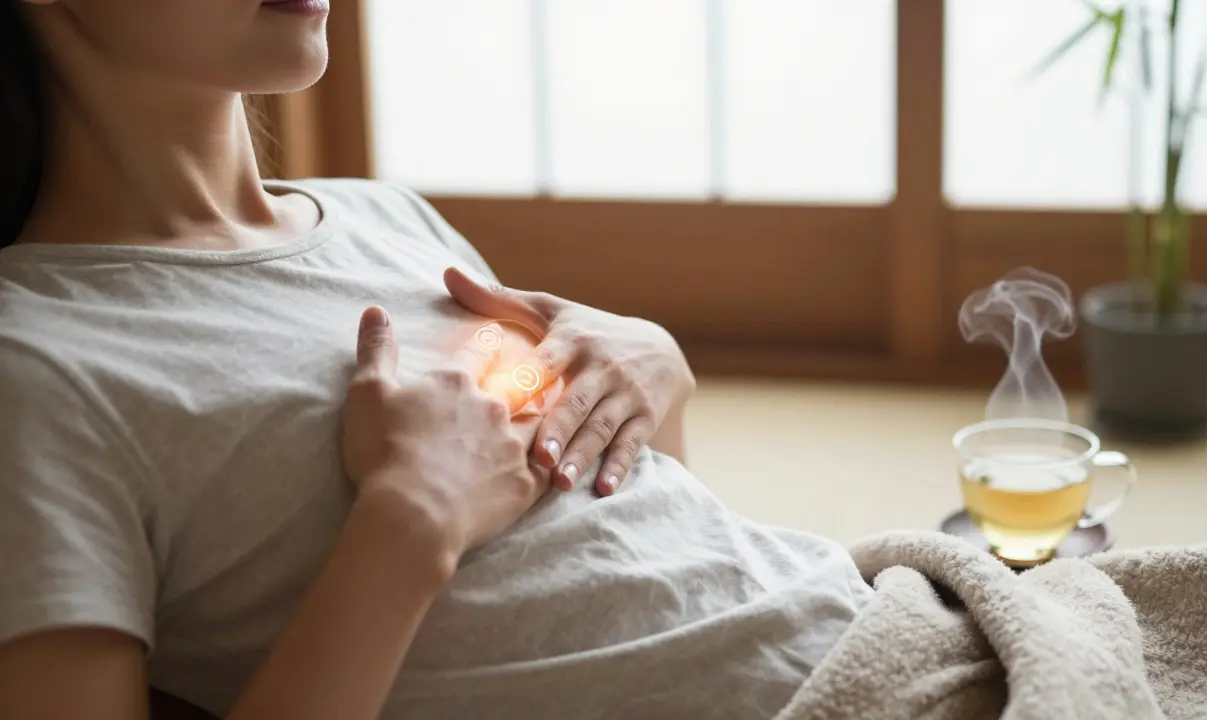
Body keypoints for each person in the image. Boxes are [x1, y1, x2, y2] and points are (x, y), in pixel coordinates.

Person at [0, 2, 873, 719]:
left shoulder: (390, 219)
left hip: (883, 634)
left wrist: (655, 379)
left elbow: (631, 554)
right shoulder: (34, 363)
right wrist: (412, 520)